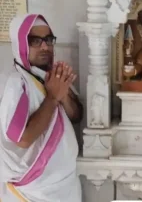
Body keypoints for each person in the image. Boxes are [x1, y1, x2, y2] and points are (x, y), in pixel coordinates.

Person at [0, 14, 83, 202]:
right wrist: (53, 97)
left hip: (64, 188)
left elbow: (77, 115)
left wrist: (62, 93)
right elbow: (22, 138)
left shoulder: (49, 76)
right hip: (32, 193)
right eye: (35, 41)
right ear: (20, 44)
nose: (45, 46)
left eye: (48, 40)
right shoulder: (16, 83)